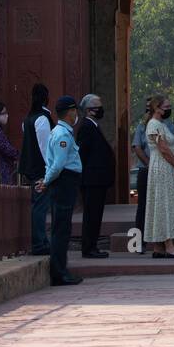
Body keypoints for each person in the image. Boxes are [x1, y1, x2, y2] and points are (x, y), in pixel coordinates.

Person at [35, 96, 84, 286]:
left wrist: (46, 180)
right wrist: (46, 181)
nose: (76, 114)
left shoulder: (60, 132)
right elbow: (58, 165)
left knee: (61, 227)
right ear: (70, 112)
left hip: (63, 182)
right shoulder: (63, 135)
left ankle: (61, 270)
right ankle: (59, 272)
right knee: (61, 229)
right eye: (75, 111)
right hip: (64, 182)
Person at [143, 95, 174, 259]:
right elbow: (162, 148)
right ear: (157, 108)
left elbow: (170, 147)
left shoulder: (161, 124)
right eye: (166, 106)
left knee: (161, 204)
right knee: (164, 205)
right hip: (162, 167)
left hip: (166, 166)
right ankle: (169, 246)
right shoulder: (153, 124)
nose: (169, 109)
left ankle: (158, 247)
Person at [76, 94, 114, 259]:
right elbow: (83, 154)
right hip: (92, 179)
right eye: (98, 107)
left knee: (96, 214)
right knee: (92, 214)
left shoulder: (94, 126)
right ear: (89, 110)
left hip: (98, 179)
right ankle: (89, 247)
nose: (101, 109)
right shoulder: (86, 127)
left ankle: (93, 245)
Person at [19, 84, 54, 255]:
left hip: (30, 169)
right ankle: (39, 243)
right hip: (40, 170)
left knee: (36, 206)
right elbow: (44, 147)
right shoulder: (42, 118)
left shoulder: (28, 119)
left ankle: (39, 241)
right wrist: (50, 170)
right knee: (40, 206)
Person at [130, 111, 150, 252]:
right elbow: (137, 147)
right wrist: (149, 164)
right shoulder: (141, 127)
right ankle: (138, 243)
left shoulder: (169, 125)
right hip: (145, 169)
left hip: (163, 171)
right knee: (142, 206)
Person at [0, 103, 19, 185]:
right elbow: (7, 149)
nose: (6, 116)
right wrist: (18, 154)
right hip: (3, 168)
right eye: (3, 113)